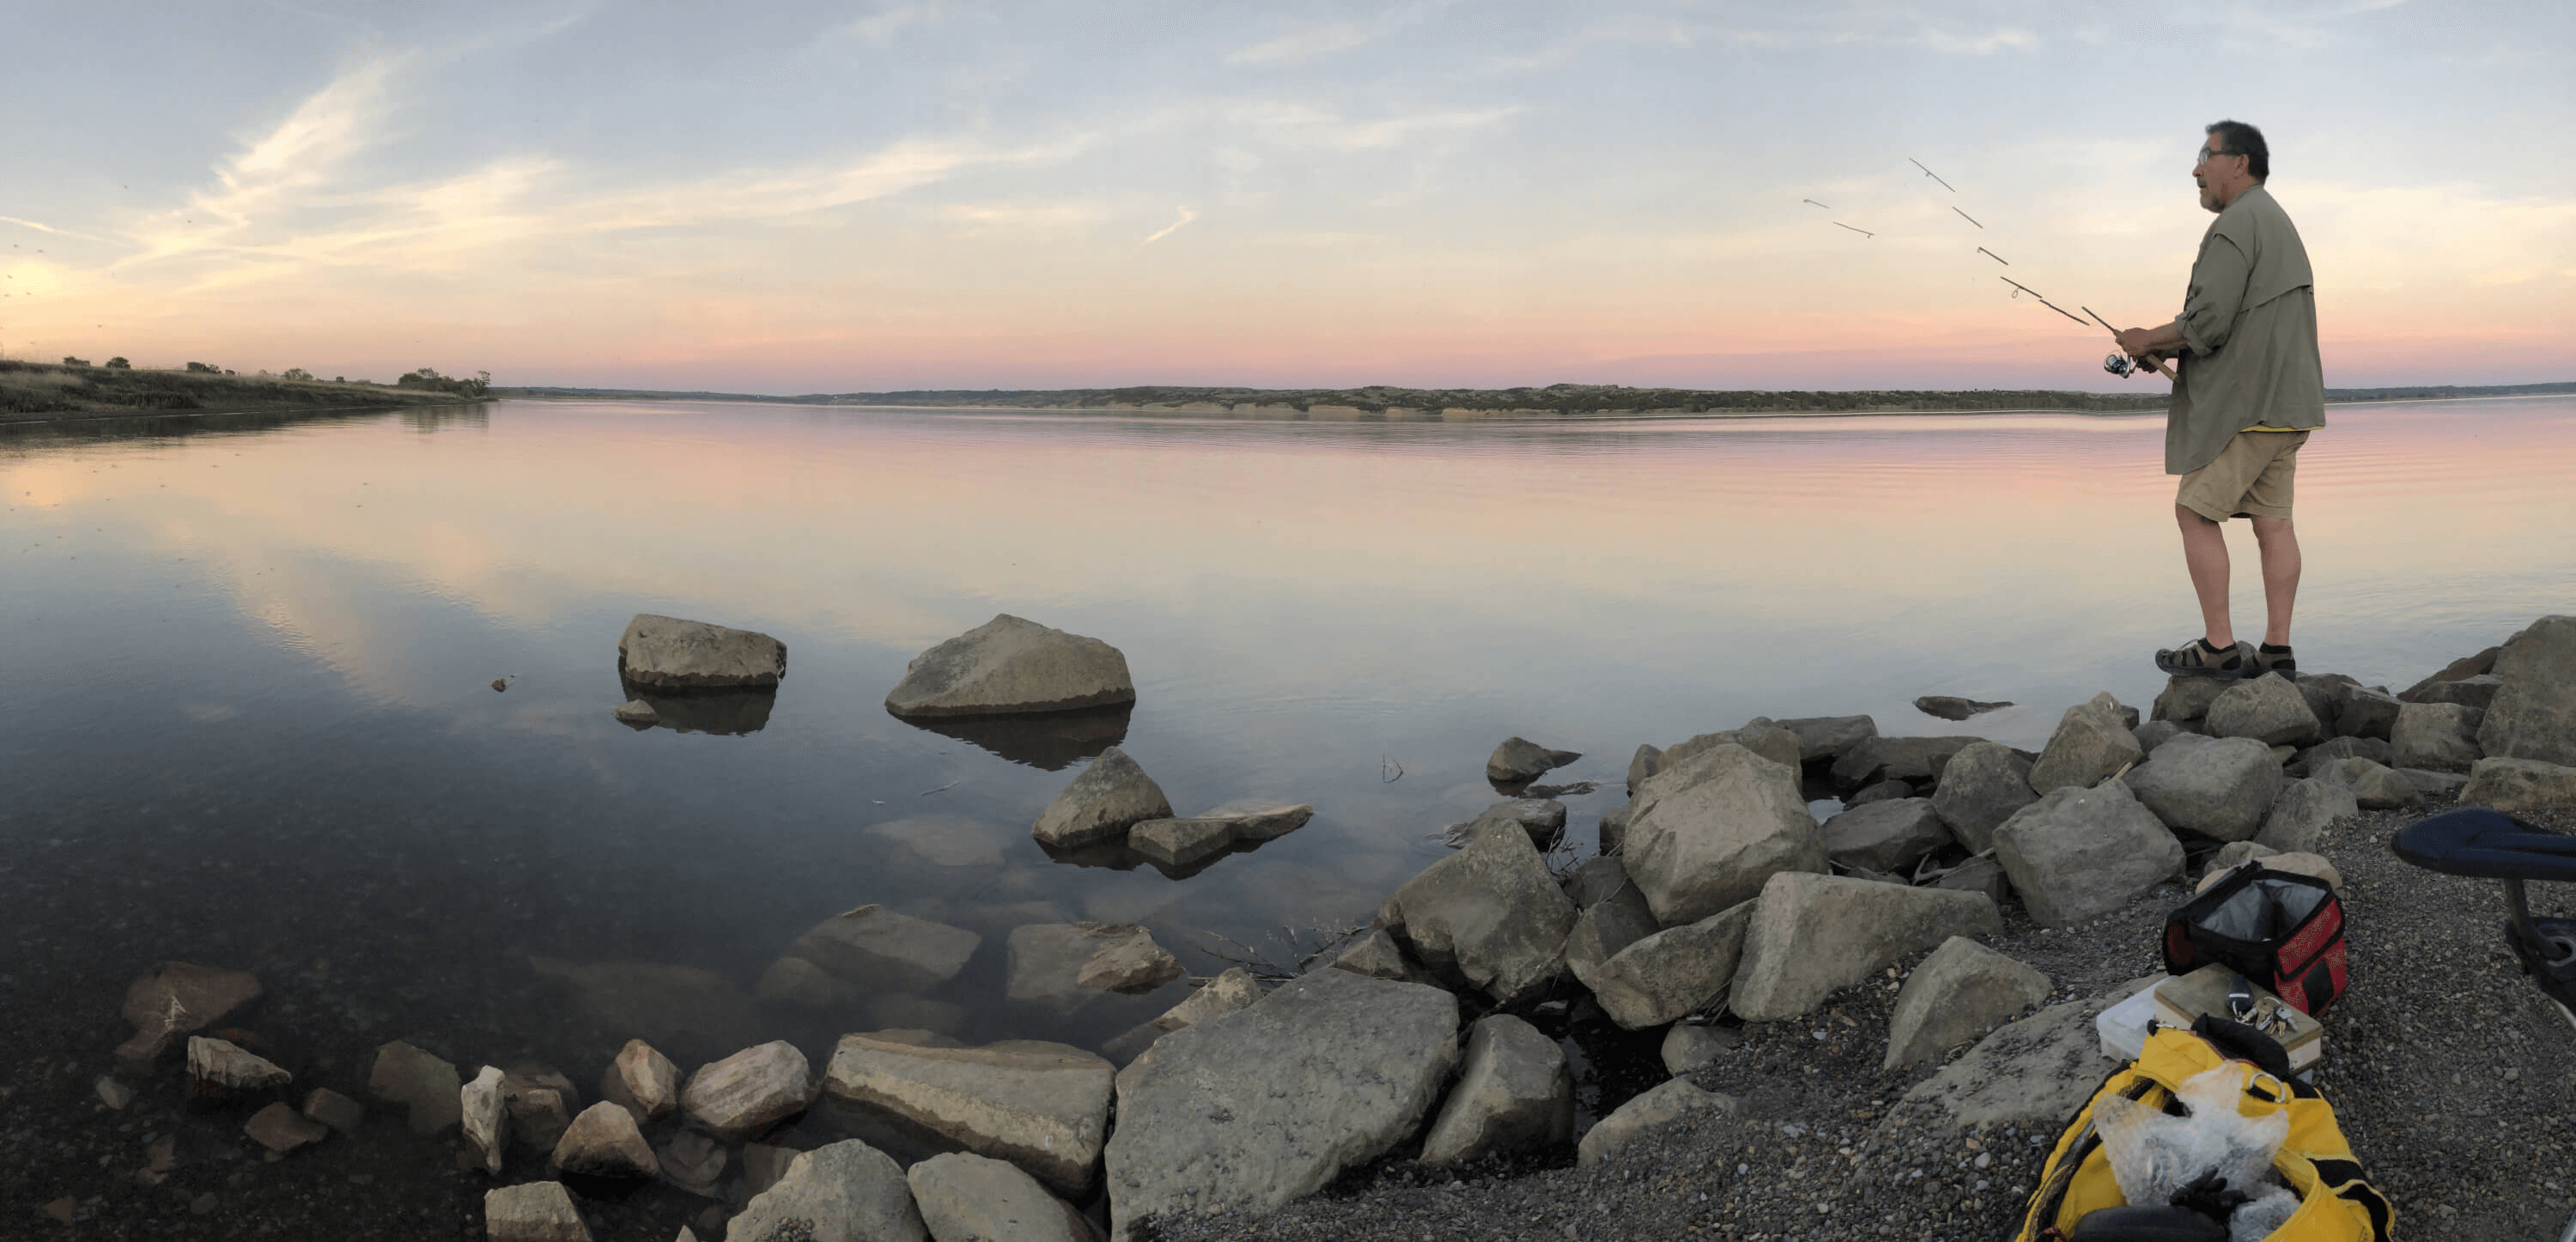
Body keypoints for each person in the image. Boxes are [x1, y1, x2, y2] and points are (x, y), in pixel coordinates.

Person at [2116, 119, 2324, 681]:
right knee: (2274, 524)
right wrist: (2170, 346)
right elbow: (2245, 322)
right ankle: (2276, 652)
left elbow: (2208, 321)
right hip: (2286, 405)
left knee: (2193, 512)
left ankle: (2219, 646)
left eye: (2205, 156)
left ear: (2240, 162)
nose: (2196, 169)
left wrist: (2146, 341)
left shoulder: (2237, 224)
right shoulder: (2277, 222)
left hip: (2247, 407)